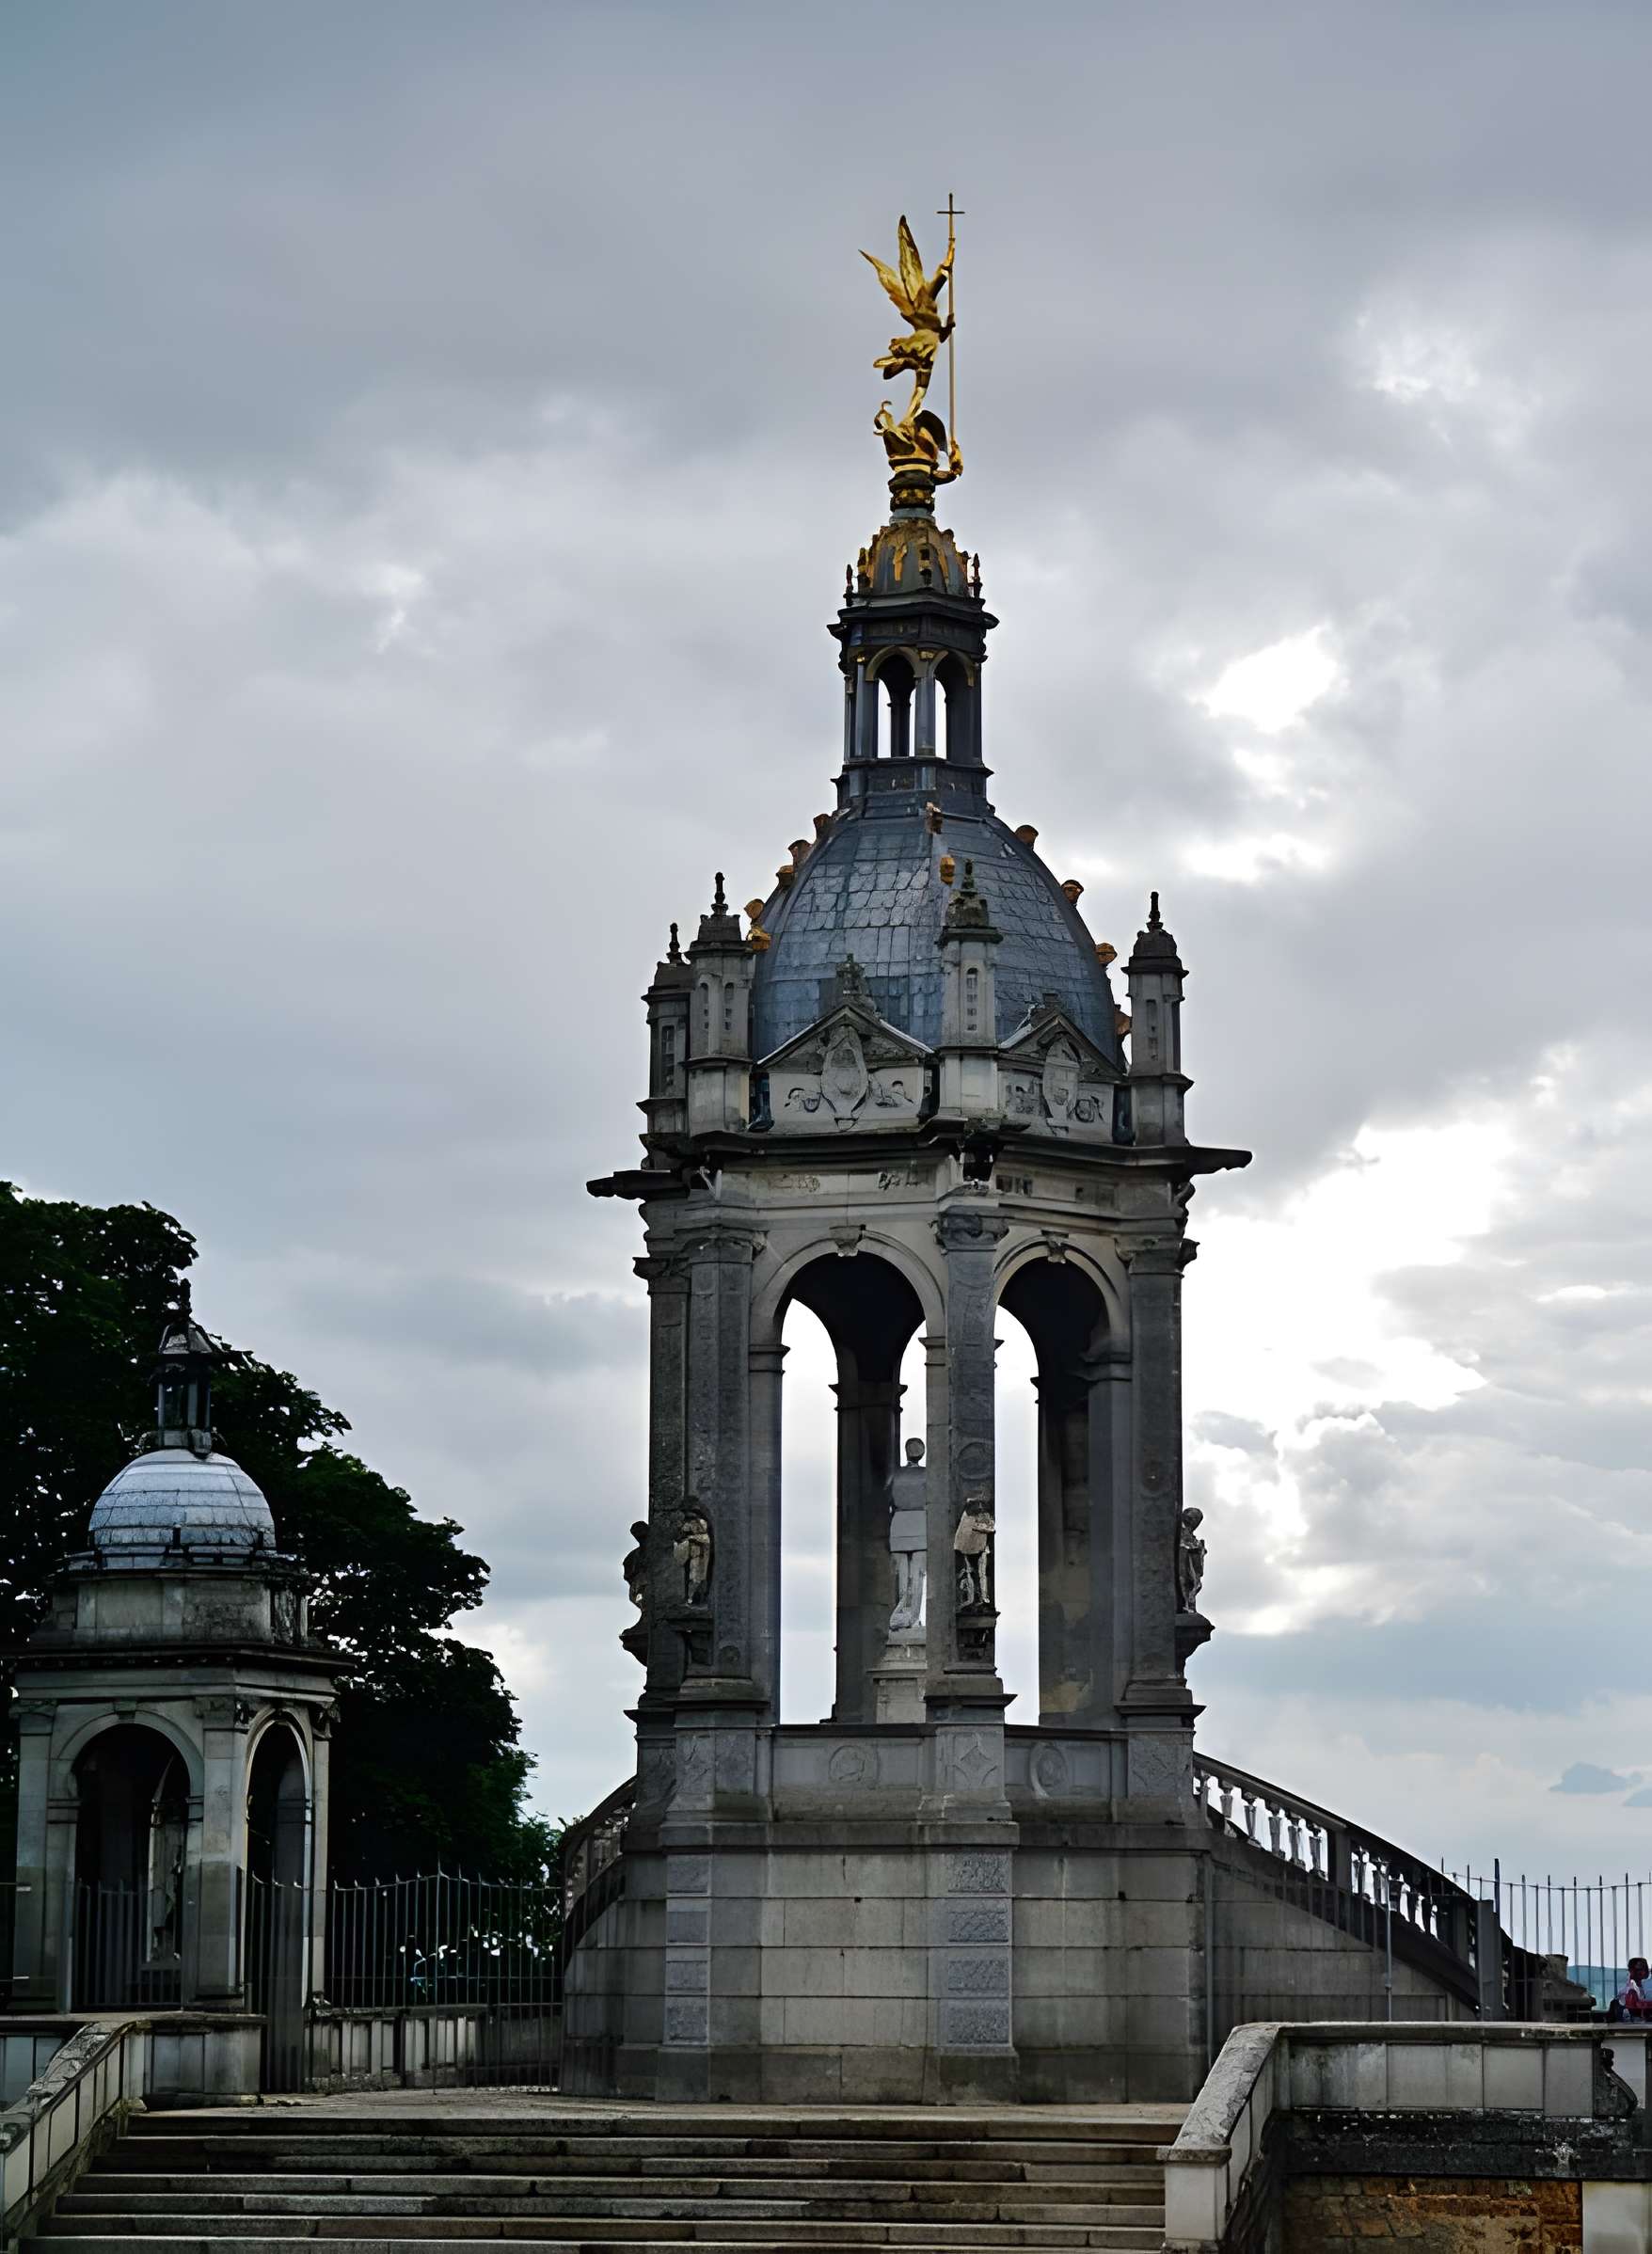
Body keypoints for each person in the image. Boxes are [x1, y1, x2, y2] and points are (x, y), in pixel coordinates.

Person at [1613, 1955, 1652, 2019]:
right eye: (1637, 1970)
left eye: (1642, 1969)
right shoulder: (1632, 1986)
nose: (1640, 1972)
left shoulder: (1642, 1984)